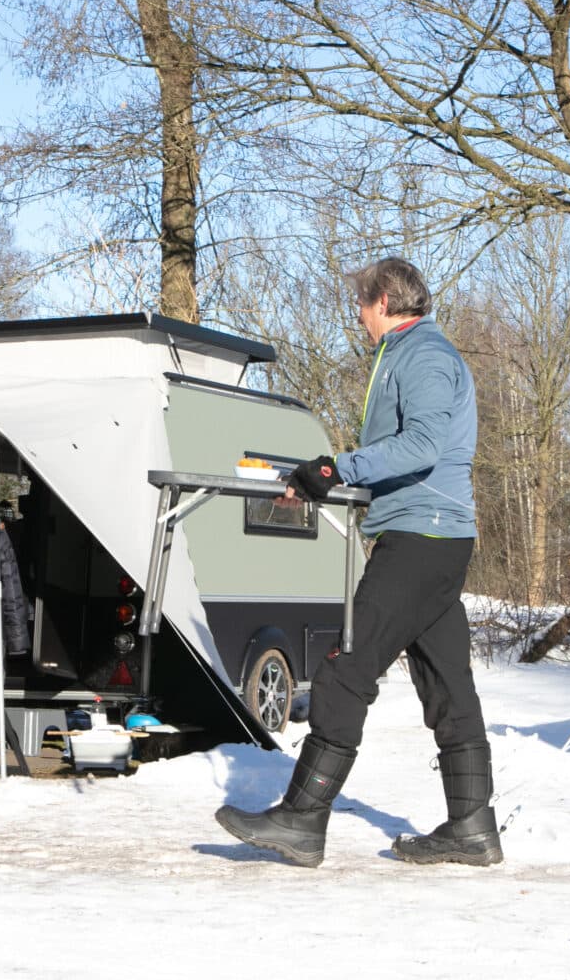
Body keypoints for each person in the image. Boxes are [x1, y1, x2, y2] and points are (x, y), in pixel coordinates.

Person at [214, 256, 500, 868]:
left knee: (347, 669)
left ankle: (302, 817)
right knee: (447, 683)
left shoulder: (422, 355)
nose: (359, 318)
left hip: (421, 538)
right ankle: (473, 826)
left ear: (385, 303)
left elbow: (422, 445)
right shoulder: (410, 353)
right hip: (435, 537)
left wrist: (336, 467)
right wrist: (325, 479)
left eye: (362, 306)